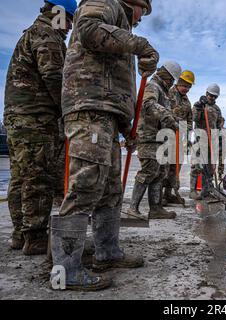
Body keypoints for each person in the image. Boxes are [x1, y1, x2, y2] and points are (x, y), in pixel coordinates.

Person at [50, 0, 159, 291]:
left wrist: (126, 127)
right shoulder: (104, 3)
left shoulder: (120, 24)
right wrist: (140, 44)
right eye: (141, 11)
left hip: (106, 113)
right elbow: (87, 30)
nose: (140, 19)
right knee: (86, 183)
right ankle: (65, 270)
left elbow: (117, 84)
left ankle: (107, 252)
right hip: (89, 108)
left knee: (110, 188)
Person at [3, 0, 76, 255]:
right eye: (68, 19)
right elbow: (55, 78)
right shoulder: (47, 35)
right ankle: (34, 238)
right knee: (37, 178)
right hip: (36, 118)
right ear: (57, 13)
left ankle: (19, 234)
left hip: (20, 119)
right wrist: (70, 113)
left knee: (22, 176)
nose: (69, 27)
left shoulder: (34, 32)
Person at [128, 61, 181, 219]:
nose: (172, 83)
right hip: (149, 137)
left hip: (160, 138)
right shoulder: (153, 86)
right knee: (148, 171)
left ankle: (156, 208)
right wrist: (167, 116)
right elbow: (148, 104)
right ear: (166, 75)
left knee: (159, 173)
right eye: (171, 79)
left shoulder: (164, 92)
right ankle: (133, 208)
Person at [162, 70, 195, 206]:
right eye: (184, 86)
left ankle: (169, 194)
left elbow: (189, 120)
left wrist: (186, 131)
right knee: (164, 166)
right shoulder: (168, 94)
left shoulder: (187, 102)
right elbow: (163, 112)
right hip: (166, 136)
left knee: (175, 168)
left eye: (189, 87)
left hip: (179, 138)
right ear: (179, 82)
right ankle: (159, 196)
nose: (186, 89)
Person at [190, 84, 224, 200]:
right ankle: (193, 190)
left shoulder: (217, 109)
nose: (212, 98)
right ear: (206, 94)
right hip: (201, 139)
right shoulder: (199, 105)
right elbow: (194, 118)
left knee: (209, 167)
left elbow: (219, 123)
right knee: (197, 165)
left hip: (212, 141)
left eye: (215, 97)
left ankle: (207, 190)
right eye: (211, 96)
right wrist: (199, 107)